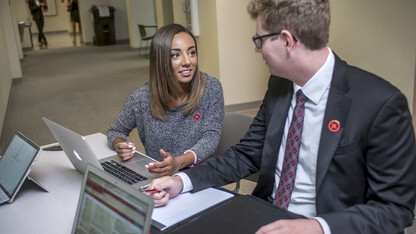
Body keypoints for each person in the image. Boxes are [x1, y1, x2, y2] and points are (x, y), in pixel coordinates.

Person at [149, 0, 416, 233]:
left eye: (260, 40)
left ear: (287, 41)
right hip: (265, 215)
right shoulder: (279, 86)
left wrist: (318, 228)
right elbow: (246, 153)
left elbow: (395, 209)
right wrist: (181, 180)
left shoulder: (380, 104)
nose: (258, 50)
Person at [107, 24, 224, 177]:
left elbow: (211, 138)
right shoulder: (141, 99)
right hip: (159, 178)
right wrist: (120, 145)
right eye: (176, 55)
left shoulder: (210, 88)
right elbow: (115, 130)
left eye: (192, 52)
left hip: (199, 177)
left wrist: (178, 162)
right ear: (160, 60)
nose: (187, 61)